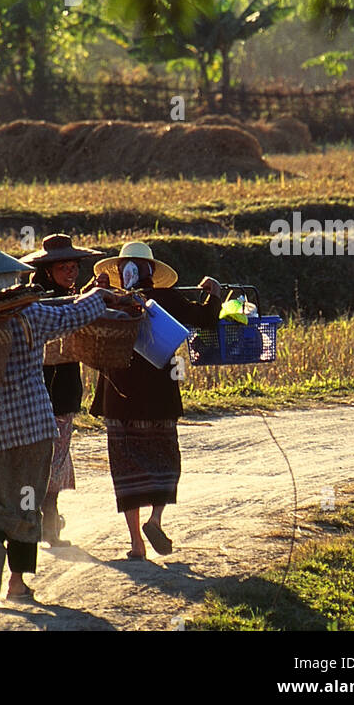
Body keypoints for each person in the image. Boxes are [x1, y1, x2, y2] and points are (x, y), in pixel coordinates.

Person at [0, 242, 136, 602]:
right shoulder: (32, 316)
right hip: (34, 427)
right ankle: (17, 583)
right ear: (14, 282)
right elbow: (72, 317)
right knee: (26, 504)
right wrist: (100, 297)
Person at [89, 240, 222, 560]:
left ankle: (136, 543)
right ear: (150, 271)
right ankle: (155, 519)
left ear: (122, 270)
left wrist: (96, 291)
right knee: (164, 460)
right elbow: (205, 319)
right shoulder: (166, 298)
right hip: (158, 397)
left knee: (125, 467)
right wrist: (214, 293)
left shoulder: (104, 300)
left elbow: (78, 315)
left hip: (118, 399)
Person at [25, 233, 102, 545]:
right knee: (51, 461)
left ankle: (45, 523)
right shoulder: (45, 303)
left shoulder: (67, 298)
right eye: (64, 268)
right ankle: (49, 527)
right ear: (47, 271)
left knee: (49, 459)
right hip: (48, 389)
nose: (71, 272)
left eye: (74, 267)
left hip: (61, 386)